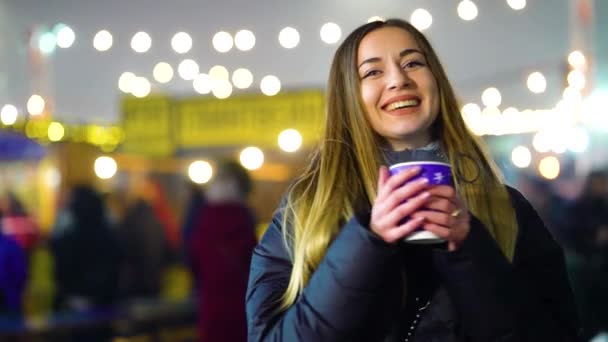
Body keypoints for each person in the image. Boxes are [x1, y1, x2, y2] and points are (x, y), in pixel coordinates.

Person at [246, 19, 580, 341]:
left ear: (437, 82)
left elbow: (557, 332)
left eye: (413, 63)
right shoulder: (306, 210)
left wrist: (469, 249)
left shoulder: (505, 206)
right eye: (373, 71)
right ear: (349, 98)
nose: (398, 80)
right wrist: (367, 243)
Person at [190, 160, 257, 342]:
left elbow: (194, 262)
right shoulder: (243, 219)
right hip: (242, 307)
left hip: (211, 305)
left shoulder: (203, 219)